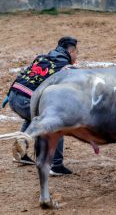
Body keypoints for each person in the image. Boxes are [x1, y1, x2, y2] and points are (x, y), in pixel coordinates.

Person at [2, 37, 78, 175]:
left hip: (14, 96)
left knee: (32, 117)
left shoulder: (42, 58)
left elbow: (24, 75)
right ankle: (55, 165)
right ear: (71, 52)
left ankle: (20, 153)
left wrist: (9, 94)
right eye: (76, 53)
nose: (76, 56)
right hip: (26, 100)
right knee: (57, 122)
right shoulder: (65, 65)